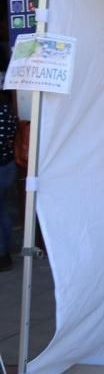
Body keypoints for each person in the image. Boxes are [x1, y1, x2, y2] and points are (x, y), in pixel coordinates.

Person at [0, 91, 17, 271]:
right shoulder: (6, 110)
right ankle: (5, 254)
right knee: (3, 210)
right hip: (7, 167)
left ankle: (3, 255)